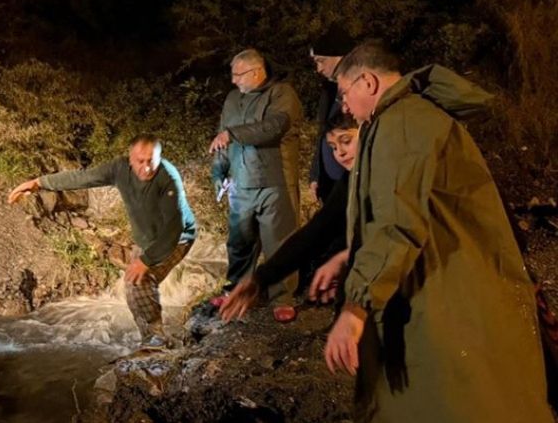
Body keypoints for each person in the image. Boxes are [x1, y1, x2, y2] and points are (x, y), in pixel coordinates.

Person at [326, 40, 551, 422]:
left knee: (459, 399)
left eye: (345, 93)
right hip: (454, 283)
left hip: (448, 294)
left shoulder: (402, 122)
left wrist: (355, 307)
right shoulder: (412, 118)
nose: (344, 106)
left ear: (367, 82)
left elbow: (397, 221)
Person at [8, 135, 196, 347]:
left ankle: (157, 340)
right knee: (133, 289)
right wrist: (38, 183)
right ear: (130, 159)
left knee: (140, 281)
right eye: (140, 161)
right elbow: (83, 178)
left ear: (159, 158)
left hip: (177, 239)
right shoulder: (118, 169)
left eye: (151, 160)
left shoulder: (168, 178)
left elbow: (174, 228)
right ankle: (152, 339)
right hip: (146, 239)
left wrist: (146, 261)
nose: (146, 167)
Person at [219, 113, 358, 321]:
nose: (340, 153)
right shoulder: (350, 180)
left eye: (346, 141)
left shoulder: (387, 175)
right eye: (333, 147)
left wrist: (344, 258)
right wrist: (260, 278)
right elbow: (317, 231)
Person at [210, 48, 303, 297]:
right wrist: (218, 173)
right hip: (240, 182)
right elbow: (221, 138)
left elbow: (274, 126)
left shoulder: (282, 93)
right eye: (233, 74)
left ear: (256, 71)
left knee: (279, 241)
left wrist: (234, 134)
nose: (233, 80)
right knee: (239, 242)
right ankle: (236, 290)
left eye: (238, 74)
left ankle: (282, 296)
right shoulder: (232, 99)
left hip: (275, 181)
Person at [308, 24, 357, 202]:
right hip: (331, 185)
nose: (318, 69)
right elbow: (323, 134)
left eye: (321, 61)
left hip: (353, 184)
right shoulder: (329, 91)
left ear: (340, 57)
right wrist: (316, 174)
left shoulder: (359, 92)